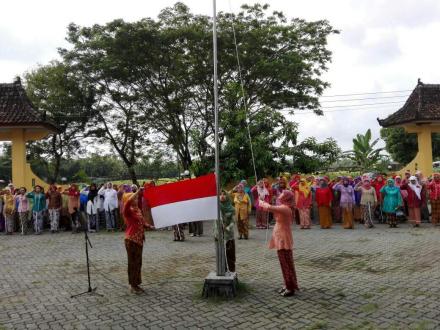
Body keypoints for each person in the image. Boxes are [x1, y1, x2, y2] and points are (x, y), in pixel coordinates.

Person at [259, 190, 299, 297]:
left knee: (286, 264)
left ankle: (290, 288)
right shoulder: (284, 206)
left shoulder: (285, 208)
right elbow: (269, 207)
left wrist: (261, 201)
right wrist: (263, 201)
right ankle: (287, 284)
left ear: (286, 197)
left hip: (283, 238)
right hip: (280, 236)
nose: (279, 195)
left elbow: (269, 207)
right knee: (284, 264)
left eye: (282, 194)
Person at [123, 189, 154, 294]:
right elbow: (127, 202)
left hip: (139, 240)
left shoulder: (137, 210)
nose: (136, 199)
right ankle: (132, 285)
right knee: (132, 263)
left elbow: (143, 222)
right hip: (131, 240)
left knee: (138, 263)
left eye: (136, 198)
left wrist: (150, 226)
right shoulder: (128, 211)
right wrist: (137, 192)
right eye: (134, 198)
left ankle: (136, 284)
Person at [217, 190, 236, 272]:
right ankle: (223, 270)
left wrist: (228, 227)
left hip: (229, 234)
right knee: (220, 253)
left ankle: (232, 271)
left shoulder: (232, 209)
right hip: (219, 233)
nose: (222, 196)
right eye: (220, 194)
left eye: (224, 194)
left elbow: (233, 221)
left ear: (227, 196)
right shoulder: (217, 207)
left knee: (230, 253)